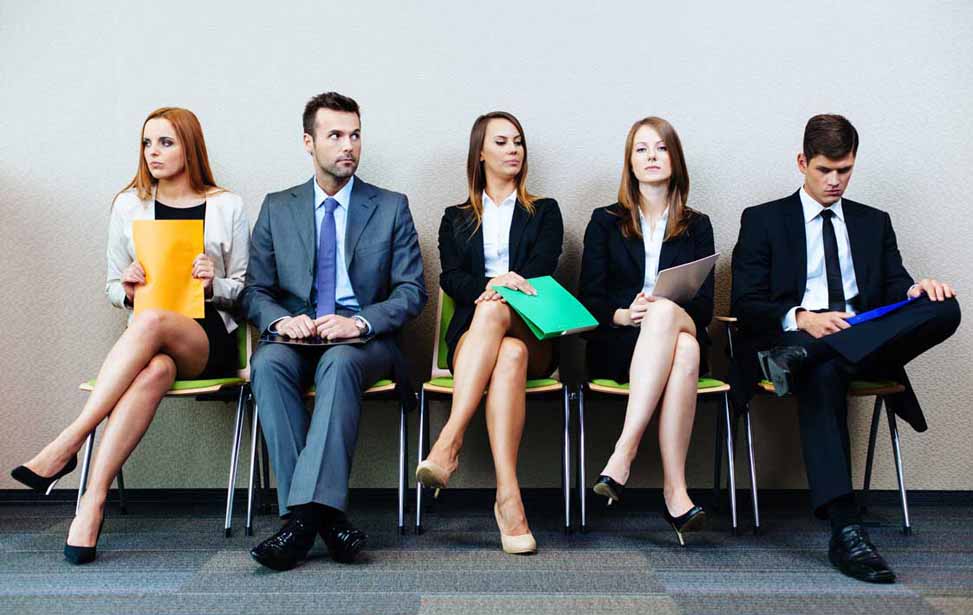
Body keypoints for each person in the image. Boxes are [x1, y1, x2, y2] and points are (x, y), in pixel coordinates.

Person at [10, 107, 250, 565]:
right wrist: (126, 286)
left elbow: (245, 289)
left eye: (166, 142)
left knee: (154, 320)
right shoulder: (129, 204)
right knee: (154, 369)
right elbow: (110, 287)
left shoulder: (227, 205)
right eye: (147, 143)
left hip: (205, 339)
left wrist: (214, 283)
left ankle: (70, 440)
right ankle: (91, 505)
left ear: (190, 147)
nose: (153, 153)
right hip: (148, 347)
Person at [730, 114, 960, 583]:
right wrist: (802, 319)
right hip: (798, 335)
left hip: (861, 337)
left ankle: (808, 358)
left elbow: (897, 289)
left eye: (845, 170)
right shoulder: (763, 219)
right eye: (824, 170)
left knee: (946, 307)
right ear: (802, 163)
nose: (836, 181)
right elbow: (746, 302)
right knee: (826, 371)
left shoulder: (874, 223)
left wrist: (919, 290)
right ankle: (845, 529)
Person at [242, 92, 426, 571]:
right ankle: (324, 520)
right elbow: (253, 290)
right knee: (266, 364)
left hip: (362, 341)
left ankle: (300, 521)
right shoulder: (277, 207)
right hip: (295, 335)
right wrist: (281, 320)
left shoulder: (389, 207)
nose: (349, 145)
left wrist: (359, 321)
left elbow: (412, 292)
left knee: (340, 362)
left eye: (356, 135)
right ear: (309, 142)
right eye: (336, 135)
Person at [415, 111, 563, 555]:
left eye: (518, 141)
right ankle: (508, 497)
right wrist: (488, 286)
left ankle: (450, 439)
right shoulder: (454, 217)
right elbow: (451, 278)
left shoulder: (545, 212)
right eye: (501, 142)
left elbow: (543, 269)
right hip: (477, 338)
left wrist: (503, 286)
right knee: (508, 353)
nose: (513, 149)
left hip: (533, 327)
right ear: (479, 153)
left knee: (503, 322)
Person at [578, 117, 714, 545]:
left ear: (675, 159)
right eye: (642, 149)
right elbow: (588, 298)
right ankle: (676, 493)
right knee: (687, 351)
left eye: (660, 148)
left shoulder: (698, 224)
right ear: (630, 162)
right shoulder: (604, 222)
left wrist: (662, 311)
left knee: (668, 315)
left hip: (683, 323)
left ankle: (624, 452)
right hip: (621, 346)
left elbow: (706, 306)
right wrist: (621, 314)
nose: (652, 156)